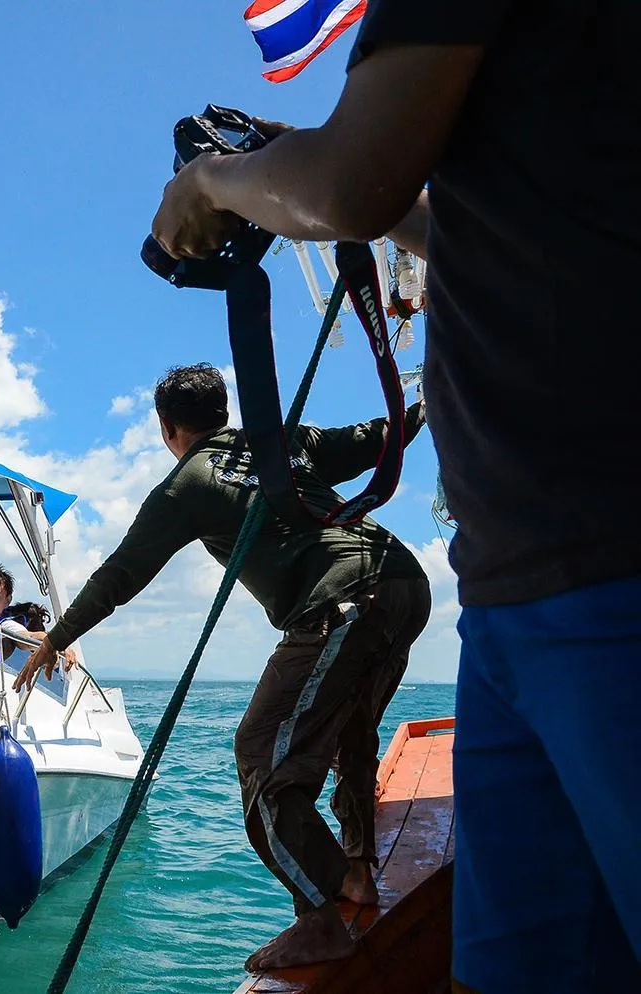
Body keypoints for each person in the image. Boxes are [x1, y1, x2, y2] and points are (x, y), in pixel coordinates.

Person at [149, 4, 641, 988]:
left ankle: (335, 910)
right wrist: (298, 157)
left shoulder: (197, 476)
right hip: (508, 594)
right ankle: (353, 885)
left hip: (604, 564)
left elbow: (354, 185)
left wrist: (217, 182)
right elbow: (451, 218)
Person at [15, 363, 430, 973]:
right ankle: (358, 875)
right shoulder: (285, 442)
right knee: (350, 733)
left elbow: (121, 573)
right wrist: (435, 396)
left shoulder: (185, 486)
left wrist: (57, 636)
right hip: (402, 581)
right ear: (221, 411)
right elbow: (383, 437)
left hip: (340, 605)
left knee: (261, 752)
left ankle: (319, 918)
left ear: (166, 427)